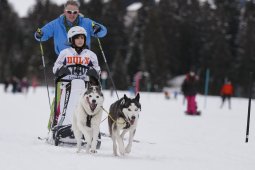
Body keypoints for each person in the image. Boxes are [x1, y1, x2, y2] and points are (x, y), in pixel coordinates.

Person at [48, 26, 101, 130]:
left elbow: (97, 70)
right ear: (71, 39)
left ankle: (86, 128)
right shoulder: (65, 53)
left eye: (82, 38)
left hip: (85, 86)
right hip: (65, 85)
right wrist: (61, 69)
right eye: (77, 38)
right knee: (61, 106)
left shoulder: (90, 55)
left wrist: (94, 72)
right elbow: (55, 68)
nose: (80, 40)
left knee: (84, 107)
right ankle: (56, 126)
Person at [34, 0, 107, 56]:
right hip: (63, 59)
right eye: (69, 12)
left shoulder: (86, 22)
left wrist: (99, 29)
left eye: (75, 12)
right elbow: (42, 33)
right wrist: (39, 34)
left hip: (83, 59)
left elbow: (102, 32)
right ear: (64, 12)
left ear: (78, 12)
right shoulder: (56, 24)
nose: (72, 14)